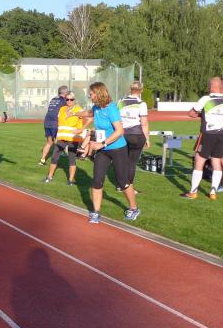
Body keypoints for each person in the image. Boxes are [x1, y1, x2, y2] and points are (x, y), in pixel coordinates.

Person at [73, 82, 139, 223]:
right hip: (103, 150)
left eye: (91, 94)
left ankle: (133, 208)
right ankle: (96, 212)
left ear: (98, 93)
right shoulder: (97, 107)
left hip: (117, 148)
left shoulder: (111, 109)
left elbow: (120, 131)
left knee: (122, 181)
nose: (89, 96)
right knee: (97, 180)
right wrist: (73, 113)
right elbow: (88, 113)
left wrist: (102, 143)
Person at [181, 77, 223, 200]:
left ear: (212, 87)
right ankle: (213, 192)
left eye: (209, 85)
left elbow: (191, 113)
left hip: (207, 135)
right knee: (216, 162)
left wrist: (202, 114)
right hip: (221, 134)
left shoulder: (206, 99)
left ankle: (193, 192)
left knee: (199, 161)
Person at [45, 92, 87, 186]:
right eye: (67, 99)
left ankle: (70, 180)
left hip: (72, 138)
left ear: (74, 100)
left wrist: (81, 130)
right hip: (61, 137)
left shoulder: (79, 109)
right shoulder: (62, 109)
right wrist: (56, 136)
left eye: (71, 99)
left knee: (72, 159)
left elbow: (87, 119)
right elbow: (59, 123)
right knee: (54, 157)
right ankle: (49, 177)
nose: (69, 101)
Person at [117, 81, 150, 192]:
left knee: (123, 160)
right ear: (141, 91)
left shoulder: (121, 101)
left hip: (122, 134)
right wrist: (147, 139)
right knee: (132, 162)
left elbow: (117, 118)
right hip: (136, 134)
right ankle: (128, 187)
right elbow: (144, 123)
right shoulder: (141, 103)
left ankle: (120, 185)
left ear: (130, 89)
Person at [39, 85, 69, 166]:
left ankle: (42, 160)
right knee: (59, 141)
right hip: (55, 123)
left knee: (49, 142)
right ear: (65, 93)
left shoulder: (53, 99)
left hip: (47, 122)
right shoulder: (64, 101)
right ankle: (56, 161)